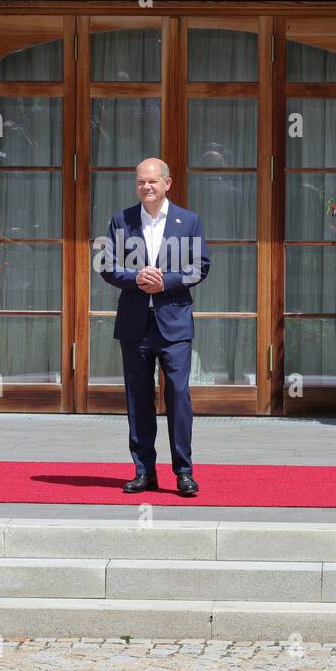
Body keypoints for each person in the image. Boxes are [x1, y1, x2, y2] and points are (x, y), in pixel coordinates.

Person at [98, 158, 210, 496]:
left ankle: (184, 472)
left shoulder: (188, 221)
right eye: (140, 182)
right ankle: (144, 471)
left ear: (167, 183)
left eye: (152, 182)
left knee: (178, 396)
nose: (146, 187)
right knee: (138, 400)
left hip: (173, 324)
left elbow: (200, 266)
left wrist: (166, 282)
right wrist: (135, 277)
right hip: (135, 325)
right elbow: (106, 265)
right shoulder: (123, 220)